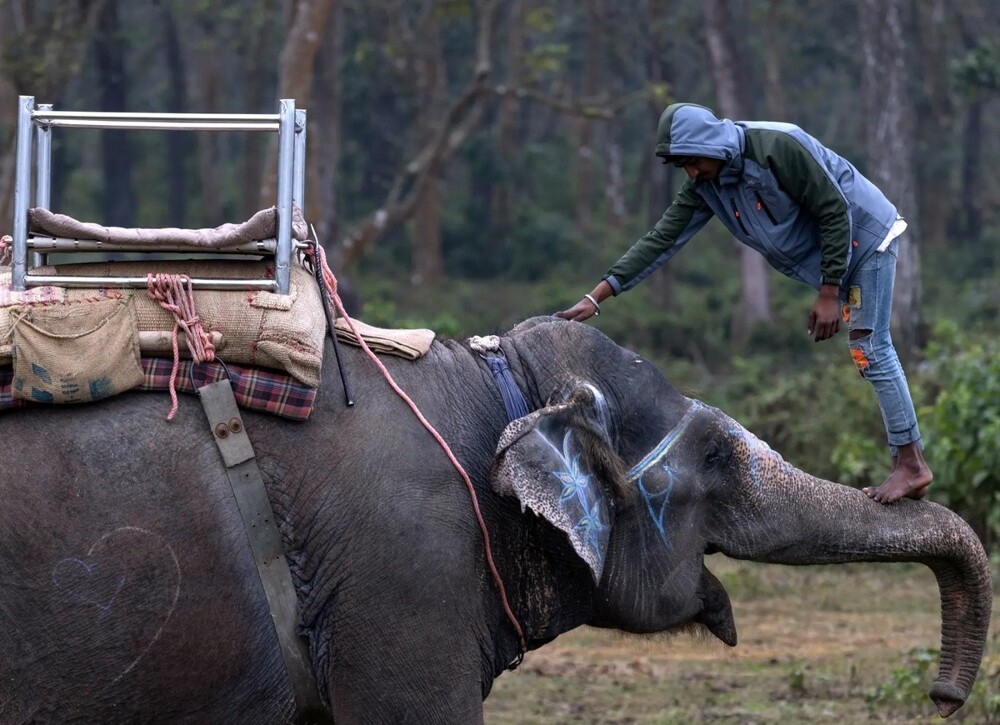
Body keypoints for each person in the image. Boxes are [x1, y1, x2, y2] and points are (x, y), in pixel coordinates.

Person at [555, 102, 932, 504]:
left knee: (872, 348)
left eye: (694, 162)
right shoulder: (707, 187)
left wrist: (829, 291)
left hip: (867, 238)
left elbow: (834, 209)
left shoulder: (777, 146)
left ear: (712, 146)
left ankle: (911, 466)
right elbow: (662, 239)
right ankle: (906, 461)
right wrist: (597, 297)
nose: (692, 172)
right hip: (840, 259)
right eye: (683, 167)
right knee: (865, 352)